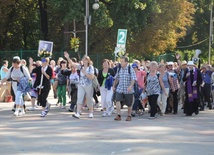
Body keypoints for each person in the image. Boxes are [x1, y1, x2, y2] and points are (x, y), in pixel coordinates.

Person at [64, 51, 95, 119]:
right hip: (81, 85)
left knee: (89, 99)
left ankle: (91, 112)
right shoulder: (80, 67)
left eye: (86, 60)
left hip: (88, 85)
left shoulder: (90, 67)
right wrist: (68, 58)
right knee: (79, 99)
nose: (84, 61)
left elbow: (92, 77)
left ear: (88, 61)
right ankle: (78, 113)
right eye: (83, 59)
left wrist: (85, 73)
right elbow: (72, 64)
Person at [112, 56, 137, 121]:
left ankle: (129, 115)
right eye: (120, 61)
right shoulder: (119, 68)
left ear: (126, 62)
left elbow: (133, 79)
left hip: (128, 89)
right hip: (120, 88)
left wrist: (131, 86)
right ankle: (118, 115)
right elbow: (117, 78)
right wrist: (114, 86)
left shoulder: (130, 69)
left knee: (129, 104)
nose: (121, 63)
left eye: (122, 61)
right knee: (117, 100)